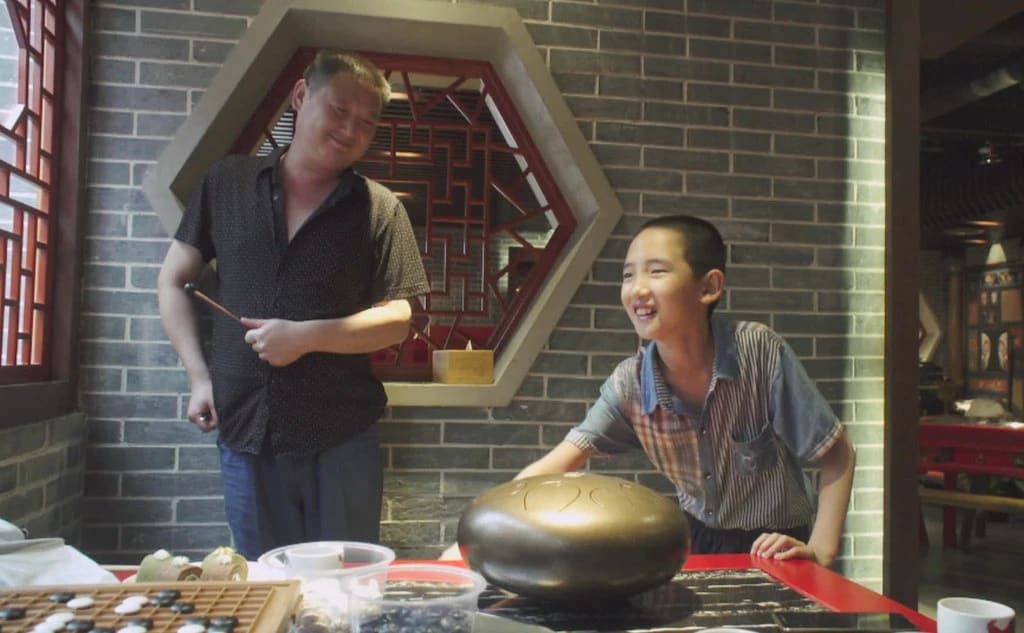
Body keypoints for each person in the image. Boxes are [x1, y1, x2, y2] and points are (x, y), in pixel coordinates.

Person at [445, 214, 856, 567]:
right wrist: (474, 540)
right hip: (694, 540)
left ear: (709, 286)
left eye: (656, 271)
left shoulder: (758, 353)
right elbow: (557, 464)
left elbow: (838, 454)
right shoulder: (629, 384)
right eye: (628, 274)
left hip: (778, 544)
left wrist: (820, 551)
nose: (637, 289)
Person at [157, 51, 430, 560]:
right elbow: (174, 281)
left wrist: (304, 337)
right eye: (339, 110)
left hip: (342, 435)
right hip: (245, 430)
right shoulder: (227, 183)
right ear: (302, 96)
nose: (350, 130)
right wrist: (199, 378)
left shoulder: (380, 208)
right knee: (266, 583)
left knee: (348, 587)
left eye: (366, 123)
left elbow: (400, 317)